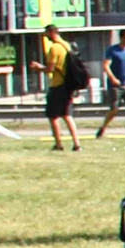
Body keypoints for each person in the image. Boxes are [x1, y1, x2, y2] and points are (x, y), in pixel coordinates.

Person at [38, 23, 79, 152]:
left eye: (46, 34)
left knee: (53, 115)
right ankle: (76, 143)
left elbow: (50, 68)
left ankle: (58, 144)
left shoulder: (54, 48)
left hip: (57, 85)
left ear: (51, 33)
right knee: (67, 115)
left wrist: (38, 67)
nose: (46, 37)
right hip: (68, 85)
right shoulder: (67, 45)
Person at [95, 29, 125, 140]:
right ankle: (103, 127)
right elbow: (106, 65)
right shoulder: (112, 50)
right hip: (116, 85)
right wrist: (113, 78)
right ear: (122, 38)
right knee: (114, 109)